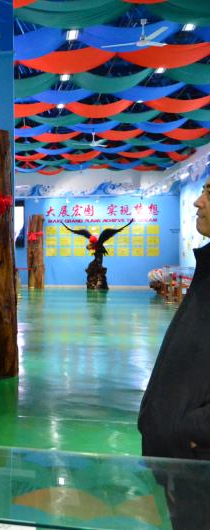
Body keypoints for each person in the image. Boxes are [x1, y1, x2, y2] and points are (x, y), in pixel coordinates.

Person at [139, 176, 210, 460]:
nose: (198, 202)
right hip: (179, 458)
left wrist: (194, 431)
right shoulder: (206, 271)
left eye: (209, 193)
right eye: (202, 191)